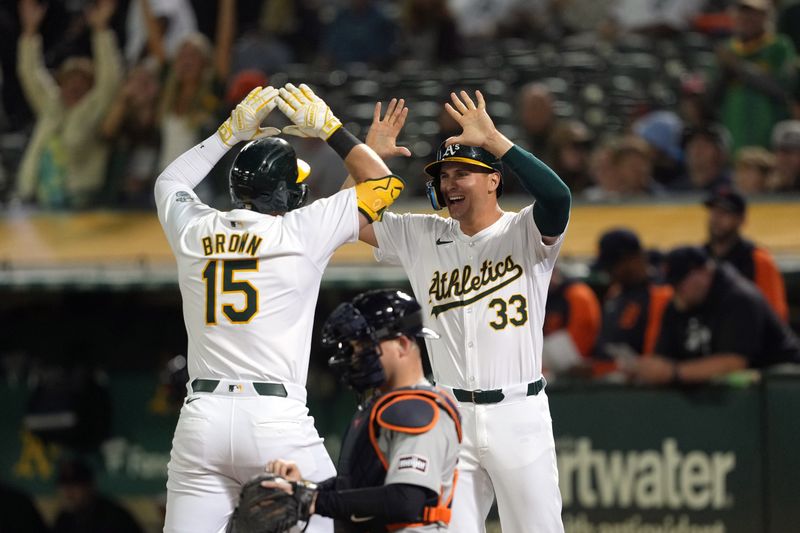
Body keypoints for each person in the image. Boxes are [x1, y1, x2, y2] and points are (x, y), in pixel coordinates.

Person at [155, 82, 405, 533]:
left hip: (202, 418)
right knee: (334, 523)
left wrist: (228, 133)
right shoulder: (300, 232)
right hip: (274, 420)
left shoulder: (194, 230)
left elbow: (170, 181)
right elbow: (384, 184)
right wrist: (331, 129)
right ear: (287, 195)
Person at [361, 90, 571, 532]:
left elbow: (558, 199)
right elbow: (347, 221)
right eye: (444, 175)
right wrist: (365, 160)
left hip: (518, 411)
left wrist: (495, 140)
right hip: (452, 416)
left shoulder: (524, 230)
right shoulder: (422, 235)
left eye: (463, 173)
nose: (450, 183)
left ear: (493, 179)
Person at [261, 289, 462, 531]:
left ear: (402, 344)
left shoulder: (419, 410)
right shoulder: (384, 405)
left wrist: (315, 501)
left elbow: (406, 499)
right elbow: (361, 484)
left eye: (365, 345)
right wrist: (307, 489)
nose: (356, 356)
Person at [626, 246, 800, 385]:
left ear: (705, 272)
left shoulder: (739, 297)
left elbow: (733, 363)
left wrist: (673, 372)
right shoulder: (677, 304)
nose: (676, 290)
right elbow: (663, 356)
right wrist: (647, 369)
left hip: (780, 395)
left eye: (680, 282)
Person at [15, 0, 122, 208]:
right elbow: (30, 74)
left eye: (81, 81)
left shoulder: (95, 108)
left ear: (91, 87)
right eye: (69, 80)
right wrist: (29, 31)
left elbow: (110, 78)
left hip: (77, 204)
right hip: (34, 202)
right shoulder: (51, 106)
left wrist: (101, 30)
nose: (73, 86)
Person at [593, 229, 673, 375]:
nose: (609, 273)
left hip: (646, 386)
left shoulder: (660, 294)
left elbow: (654, 353)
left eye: (613, 266)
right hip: (613, 380)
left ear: (633, 259)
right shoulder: (615, 293)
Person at [702, 187, 788, 322]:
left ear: (741, 220)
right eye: (714, 211)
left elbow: (775, 314)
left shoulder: (758, 259)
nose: (716, 218)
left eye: (725, 213)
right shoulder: (700, 257)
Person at [52, 458, 143, 533]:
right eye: (64, 487)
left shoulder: (113, 518)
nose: (68, 493)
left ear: (90, 487)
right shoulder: (64, 519)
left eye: (74, 487)